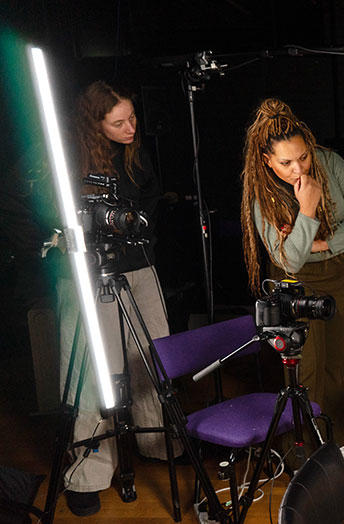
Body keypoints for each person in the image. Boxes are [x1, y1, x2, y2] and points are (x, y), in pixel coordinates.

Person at [58, 80, 178, 516]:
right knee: (94, 368)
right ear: (95, 124)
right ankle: (88, 472)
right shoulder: (68, 159)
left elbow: (148, 206)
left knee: (153, 353)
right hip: (87, 274)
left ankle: (158, 442)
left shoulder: (136, 152)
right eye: (118, 122)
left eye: (132, 118)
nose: (131, 128)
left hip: (138, 265)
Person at [240, 98, 344, 462]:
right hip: (293, 282)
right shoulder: (261, 192)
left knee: (336, 360)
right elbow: (290, 259)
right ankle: (300, 446)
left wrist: (325, 242)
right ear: (267, 160)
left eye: (303, 157)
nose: (298, 168)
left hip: (339, 271)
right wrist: (308, 208)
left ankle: (336, 436)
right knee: (305, 363)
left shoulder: (330, 162)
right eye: (286, 162)